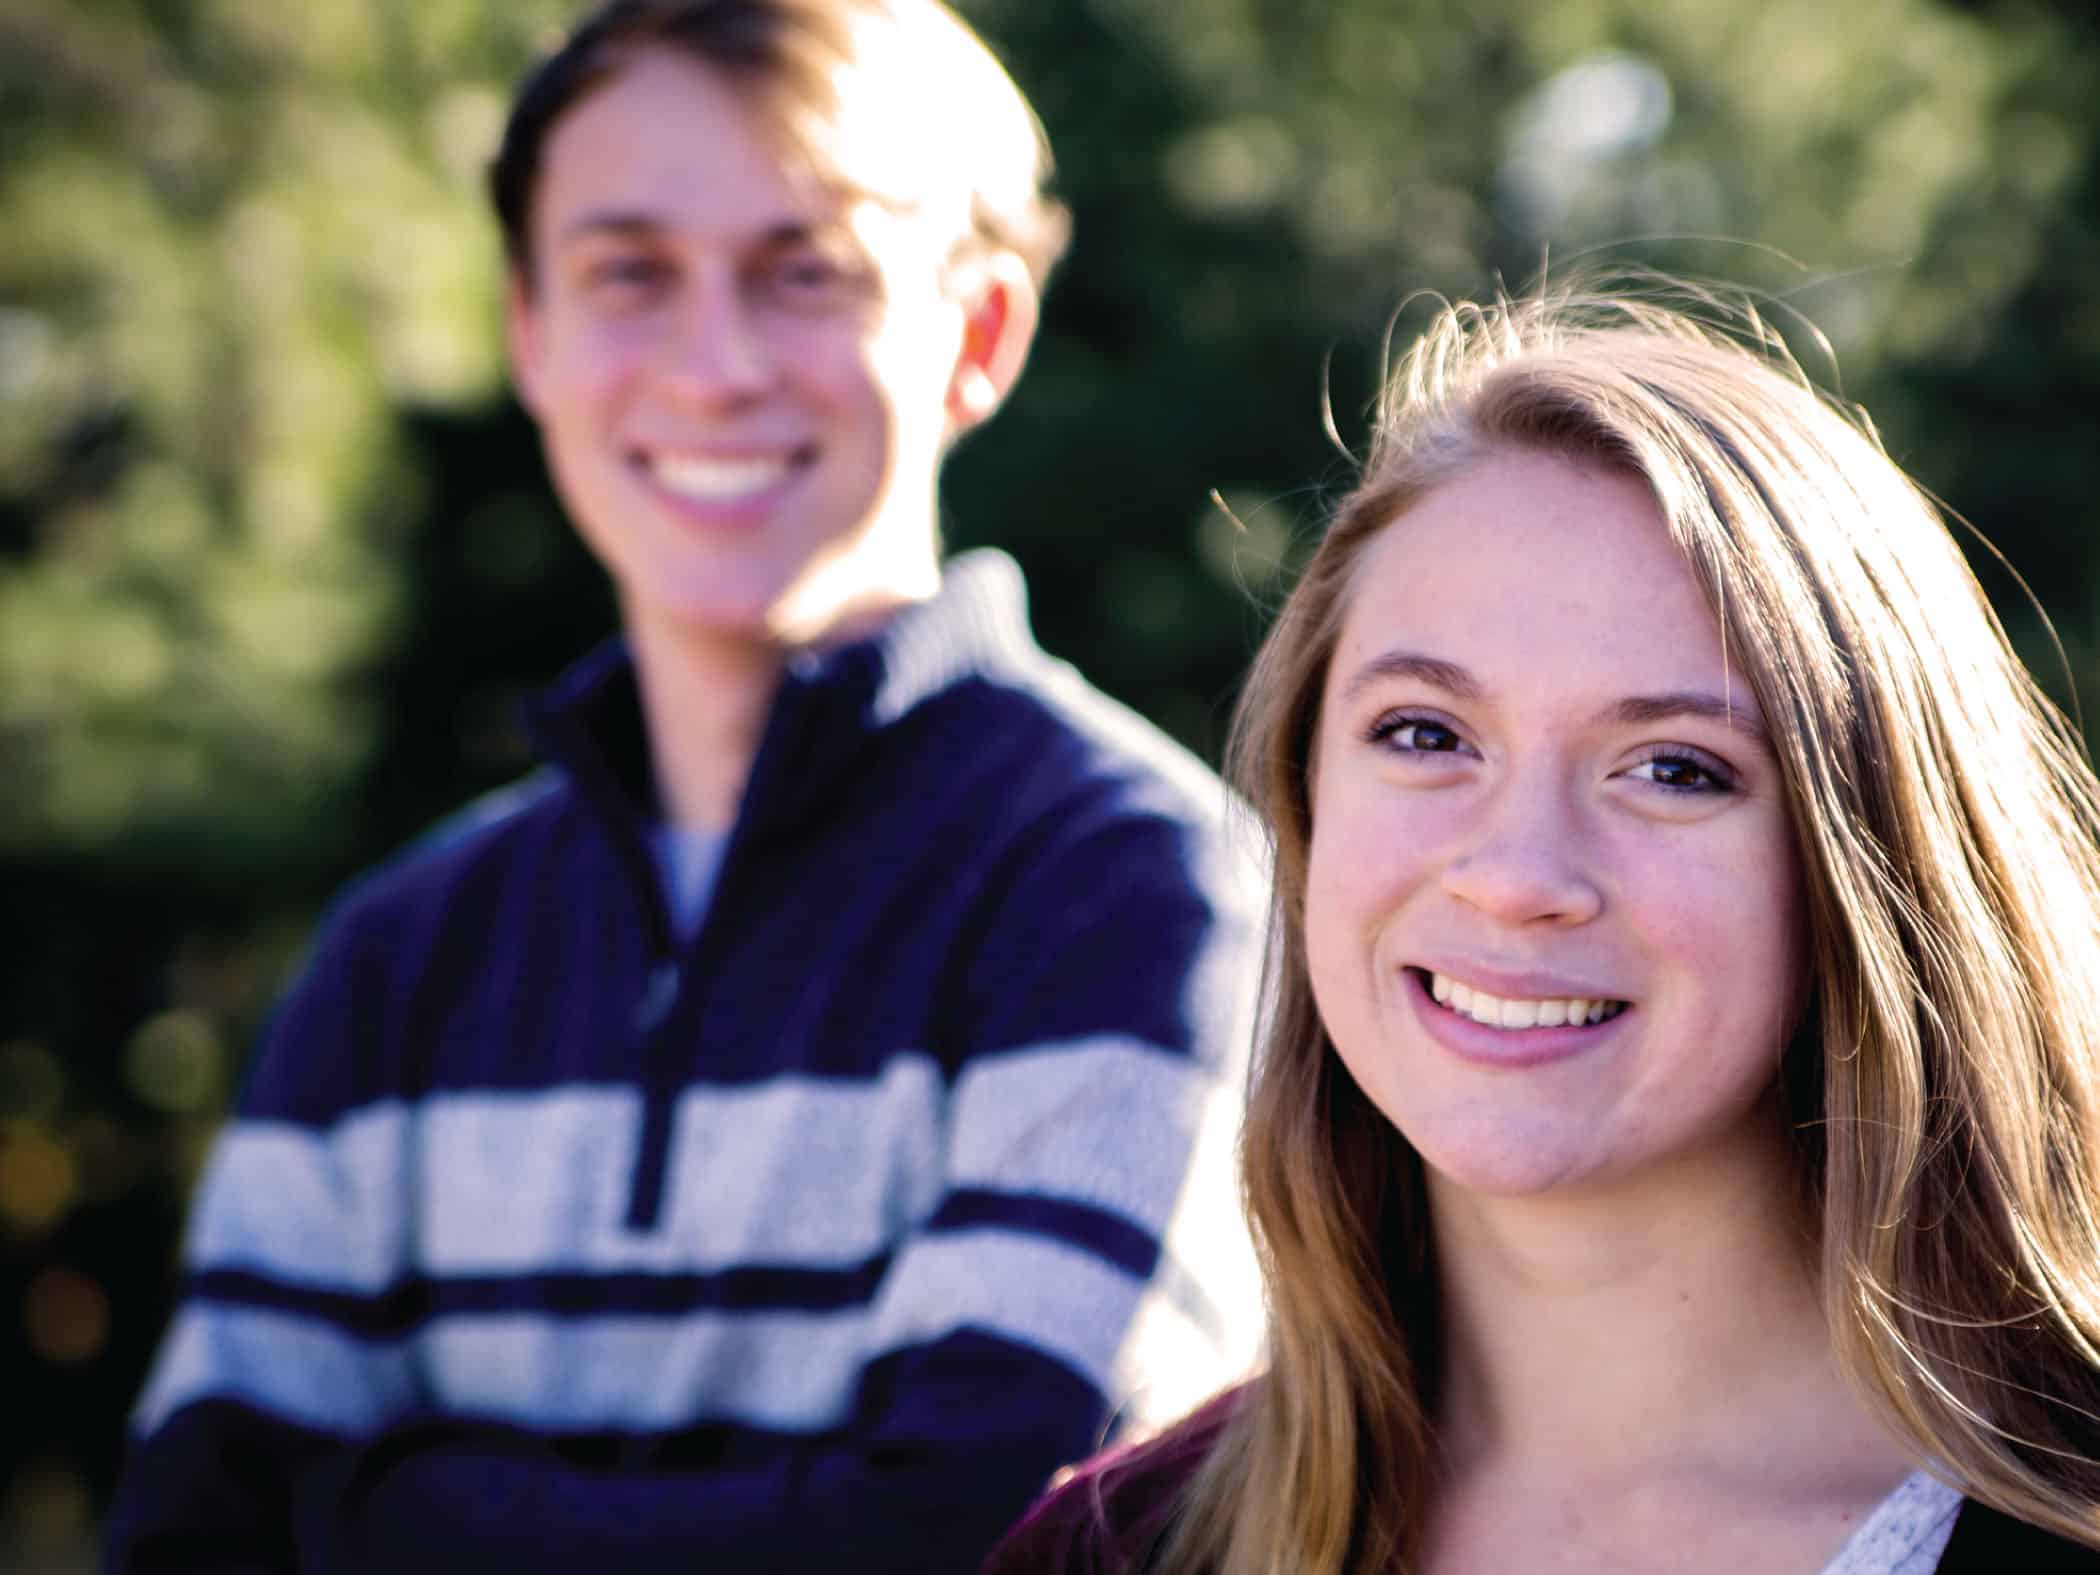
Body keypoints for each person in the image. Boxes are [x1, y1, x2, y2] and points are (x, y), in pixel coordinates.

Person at [105, 2, 1265, 1570]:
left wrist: (379, 1515)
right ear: (530, 330)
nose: (714, 368)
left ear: (977, 335)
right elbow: (197, 1537)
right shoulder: (401, 953)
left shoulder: (1137, 875)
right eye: (630, 271)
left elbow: (995, 1540)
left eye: (808, 271)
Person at [986, 280, 2100, 1573]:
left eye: (1674, 767)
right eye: (1426, 735)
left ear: (1871, 860)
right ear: (1302, 799)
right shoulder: (1115, 1554)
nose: (1516, 875)